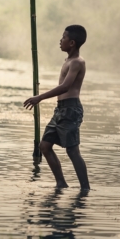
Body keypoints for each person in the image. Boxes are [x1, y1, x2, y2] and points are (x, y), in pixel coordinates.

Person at [24, 25, 90, 190]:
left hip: (71, 110)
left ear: (72, 42)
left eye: (63, 38)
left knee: (72, 151)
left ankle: (85, 188)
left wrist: (39, 97)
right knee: (45, 146)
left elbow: (66, 87)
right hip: (60, 110)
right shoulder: (68, 60)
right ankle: (61, 183)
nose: (60, 40)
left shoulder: (77, 62)